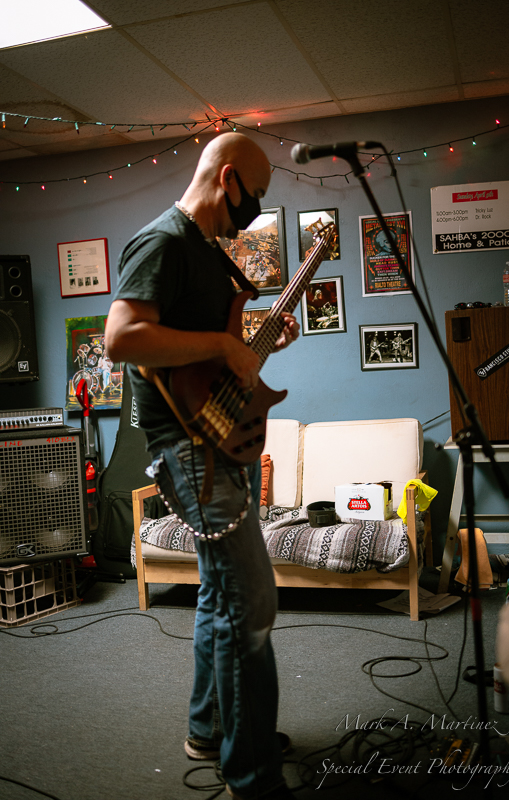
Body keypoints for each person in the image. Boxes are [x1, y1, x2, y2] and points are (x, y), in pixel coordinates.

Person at [105, 132, 299, 800]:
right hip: (187, 450)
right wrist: (223, 342)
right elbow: (121, 338)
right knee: (252, 600)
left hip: (217, 440)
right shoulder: (162, 241)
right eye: (257, 192)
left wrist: (251, 345)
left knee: (221, 595)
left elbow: (200, 357)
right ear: (227, 178)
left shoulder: (205, 253)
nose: (257, 206)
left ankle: (211, 731)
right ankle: (252, 774)